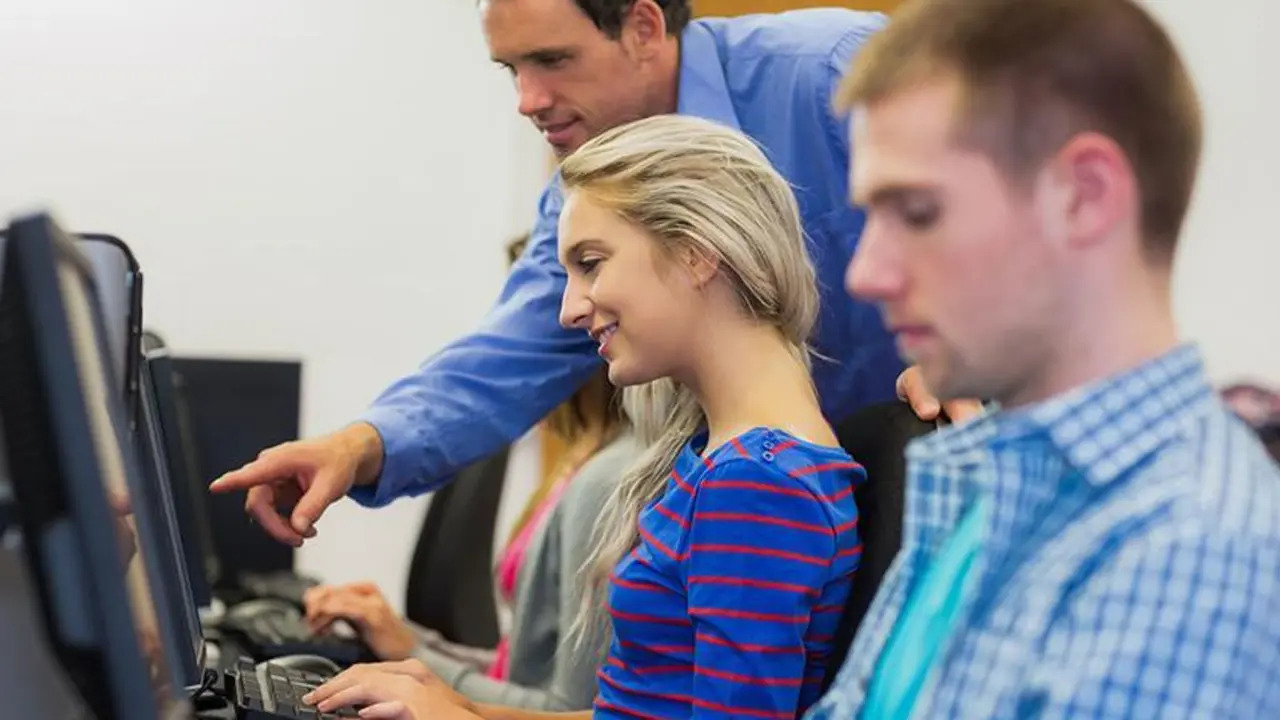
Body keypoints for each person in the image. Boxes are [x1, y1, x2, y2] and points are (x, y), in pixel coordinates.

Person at [207, 0, 974, 547]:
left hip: (961, 482)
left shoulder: (831, 72)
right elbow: (509, 354)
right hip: (815, 521)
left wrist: (976, 345)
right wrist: (359, 445)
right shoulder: (585, 193)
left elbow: (1026, 190)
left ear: (643, 26)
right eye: (510, 68)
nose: (526, 100)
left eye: (551, 60)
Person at [803, 0, 1280, 717]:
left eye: (920, 213)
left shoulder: (1187, 548)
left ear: (1084, 197)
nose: (866, 273)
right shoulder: (979, 485)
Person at [301, 114, 865, 719]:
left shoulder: (758, 483)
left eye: (591, 263)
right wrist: (459, 706)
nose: (569, 309)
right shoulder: (717, 458)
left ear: (698, 253)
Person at [300, 235, 637, 711]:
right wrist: (402, 640)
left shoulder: (608, 481)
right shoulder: (576, 462)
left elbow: (564, 707)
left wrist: (414, 656)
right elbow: (515, 668)